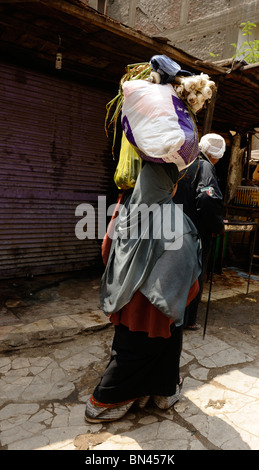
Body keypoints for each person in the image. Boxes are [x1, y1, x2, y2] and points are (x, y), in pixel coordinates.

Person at [84, 161, 202, 423]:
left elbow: (107, 252)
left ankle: (151, 393)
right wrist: (178, 300)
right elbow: (187, 274)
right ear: (169, 187)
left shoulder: (124, 211)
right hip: (161, 309)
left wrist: (126, 281)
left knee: (130, 349)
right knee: (156, 349)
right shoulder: (177, 221)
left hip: (126, 303)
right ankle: (103, 402)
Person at [173, 133, 226, 330]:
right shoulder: (205, 167)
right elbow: (206, 198)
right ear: (217, 155)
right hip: (194, 232)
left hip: (174, 227)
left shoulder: (185, 164)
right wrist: (217, 226)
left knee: (176, 273)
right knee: (195, 274)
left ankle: (171, 315)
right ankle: (188, 319)